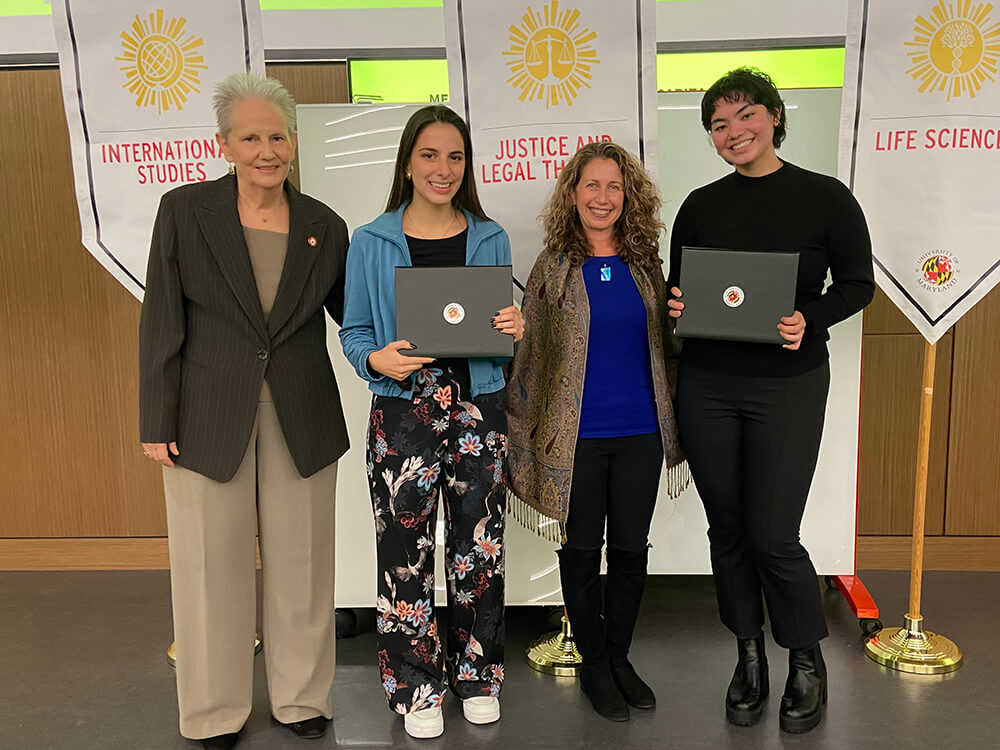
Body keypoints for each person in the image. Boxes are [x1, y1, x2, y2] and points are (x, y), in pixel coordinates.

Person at [139, 72, 349, 750]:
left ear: (293, 142)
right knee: (210, 571)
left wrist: (447, 326)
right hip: (204, 418)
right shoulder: (183, 211)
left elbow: (359, 319)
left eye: (278, 136)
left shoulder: (326, 225)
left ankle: (300, 700)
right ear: (225, 143)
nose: (267, 150)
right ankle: (213, 712)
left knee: (304, 567)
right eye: (251, 137)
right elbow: (162, 323)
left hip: (303, 416)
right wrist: (155, 422)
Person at [667, 67, 875, 734]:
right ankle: (748, 656)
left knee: (773, 534)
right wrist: (676, 306)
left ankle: (806, 658)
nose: (734, 131)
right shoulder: (699, 204)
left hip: (787, 385)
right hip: (705, 384)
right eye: (719, 125)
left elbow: (857, 284)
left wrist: (807, 318)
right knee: (726, 530)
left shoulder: (825, 198)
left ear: (776, 116)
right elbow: (681, 293)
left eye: (745, 115)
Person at [339, 105, 522, 740]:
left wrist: (514, 328)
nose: (443, 169)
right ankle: (416, 685)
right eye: (429, 155)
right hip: (402, 410)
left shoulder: (490, 235)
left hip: (478, 408)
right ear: (408, 163)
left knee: (478, 550)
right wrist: (373, 358)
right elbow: (355, 330)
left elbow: (500, 326)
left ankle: (478, 675)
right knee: (403, 554)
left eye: (455, 157)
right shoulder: (371, 240)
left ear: (466, 165)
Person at [506, 142, 687, 722]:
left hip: (640, 433)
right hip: (574, 438)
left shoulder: (646, 263)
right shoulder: (552, 265)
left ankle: (619, 658)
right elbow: (531, 353)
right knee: (583, 551)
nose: (603, 197)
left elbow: (670, 346)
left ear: (627, 196)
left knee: (631, 551)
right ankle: (592, 663)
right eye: (592, 186)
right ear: (573, 193)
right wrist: (521, 428)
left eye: (614, 187)